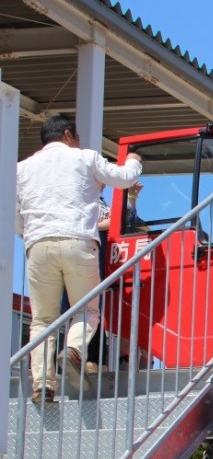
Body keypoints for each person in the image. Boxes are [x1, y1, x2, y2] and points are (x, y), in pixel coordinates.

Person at [15, 114, 143, 404]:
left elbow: (13, 213)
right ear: (68, 135)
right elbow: (124, 178)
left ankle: (43, 386)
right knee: (87, 309)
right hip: (78, 241)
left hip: (38, 245)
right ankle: (73, 350)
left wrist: (29, 235)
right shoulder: (84, 158)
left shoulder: (21, 169)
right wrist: (134, 160)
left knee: (42, 320)